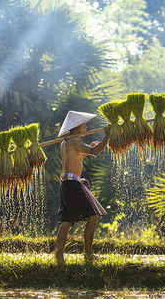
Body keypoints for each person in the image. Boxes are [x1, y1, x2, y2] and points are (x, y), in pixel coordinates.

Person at [54, 111, 110, 262]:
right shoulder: (75, 141)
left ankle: (58, 256)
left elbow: (75, 157)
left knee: (66, 223)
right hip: (72, 185)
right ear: (77, 127)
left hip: (65, 185)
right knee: (92, 218)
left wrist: (87, 150)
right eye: (84, 124)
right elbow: (95, 152)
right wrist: (107, 136)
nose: (86, 126)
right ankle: (88, 255)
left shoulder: (65, 142)